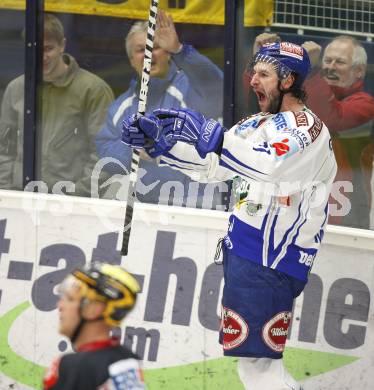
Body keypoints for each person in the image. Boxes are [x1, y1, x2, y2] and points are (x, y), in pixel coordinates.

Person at [120, 42, 337, 389]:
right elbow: (212, 165)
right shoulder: (256, 124)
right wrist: (159, 145)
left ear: (288, 80)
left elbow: (270, 165)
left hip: (272, 259)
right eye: (254, 72)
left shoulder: (306, 128)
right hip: (247, 254)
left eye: (265, 74)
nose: (253, 80)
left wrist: (213, 136)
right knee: (254, 366)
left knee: (258, 367)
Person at [96, 10, 229, 209]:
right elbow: (105, 148)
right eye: (141, 50)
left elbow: (216, 85)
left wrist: (180, 50)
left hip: (197, 206)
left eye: (156, 47)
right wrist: (135, 149)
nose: (149, 55)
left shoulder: (192, 88)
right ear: (132, 60)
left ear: (167, 53)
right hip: (146, 209)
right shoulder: (121, 106)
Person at [245, 33, 374, 227]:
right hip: (303, 203)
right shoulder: (312, 92)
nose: (330, 67)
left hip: (344, 210)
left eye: (339, 62)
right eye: (327, 61)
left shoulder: (366, 104)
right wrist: (262, 61)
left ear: (359, 71)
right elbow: (264, 99)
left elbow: (330, 119)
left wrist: (311, 72)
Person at [0, 13, 114, 197]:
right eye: (35, 49)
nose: (42, 56)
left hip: (72, 203)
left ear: (63, 45)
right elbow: (4, 148)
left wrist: (77, 195)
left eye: (48, 48)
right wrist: (6, 193)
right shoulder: (16, 89)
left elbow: (105, 152)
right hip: (19, 199)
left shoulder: (94, 90)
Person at [43, 262, 144, 390]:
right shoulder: (125, 359)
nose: (60, 306)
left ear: (93, 309)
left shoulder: (69, 367)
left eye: (70, 299)